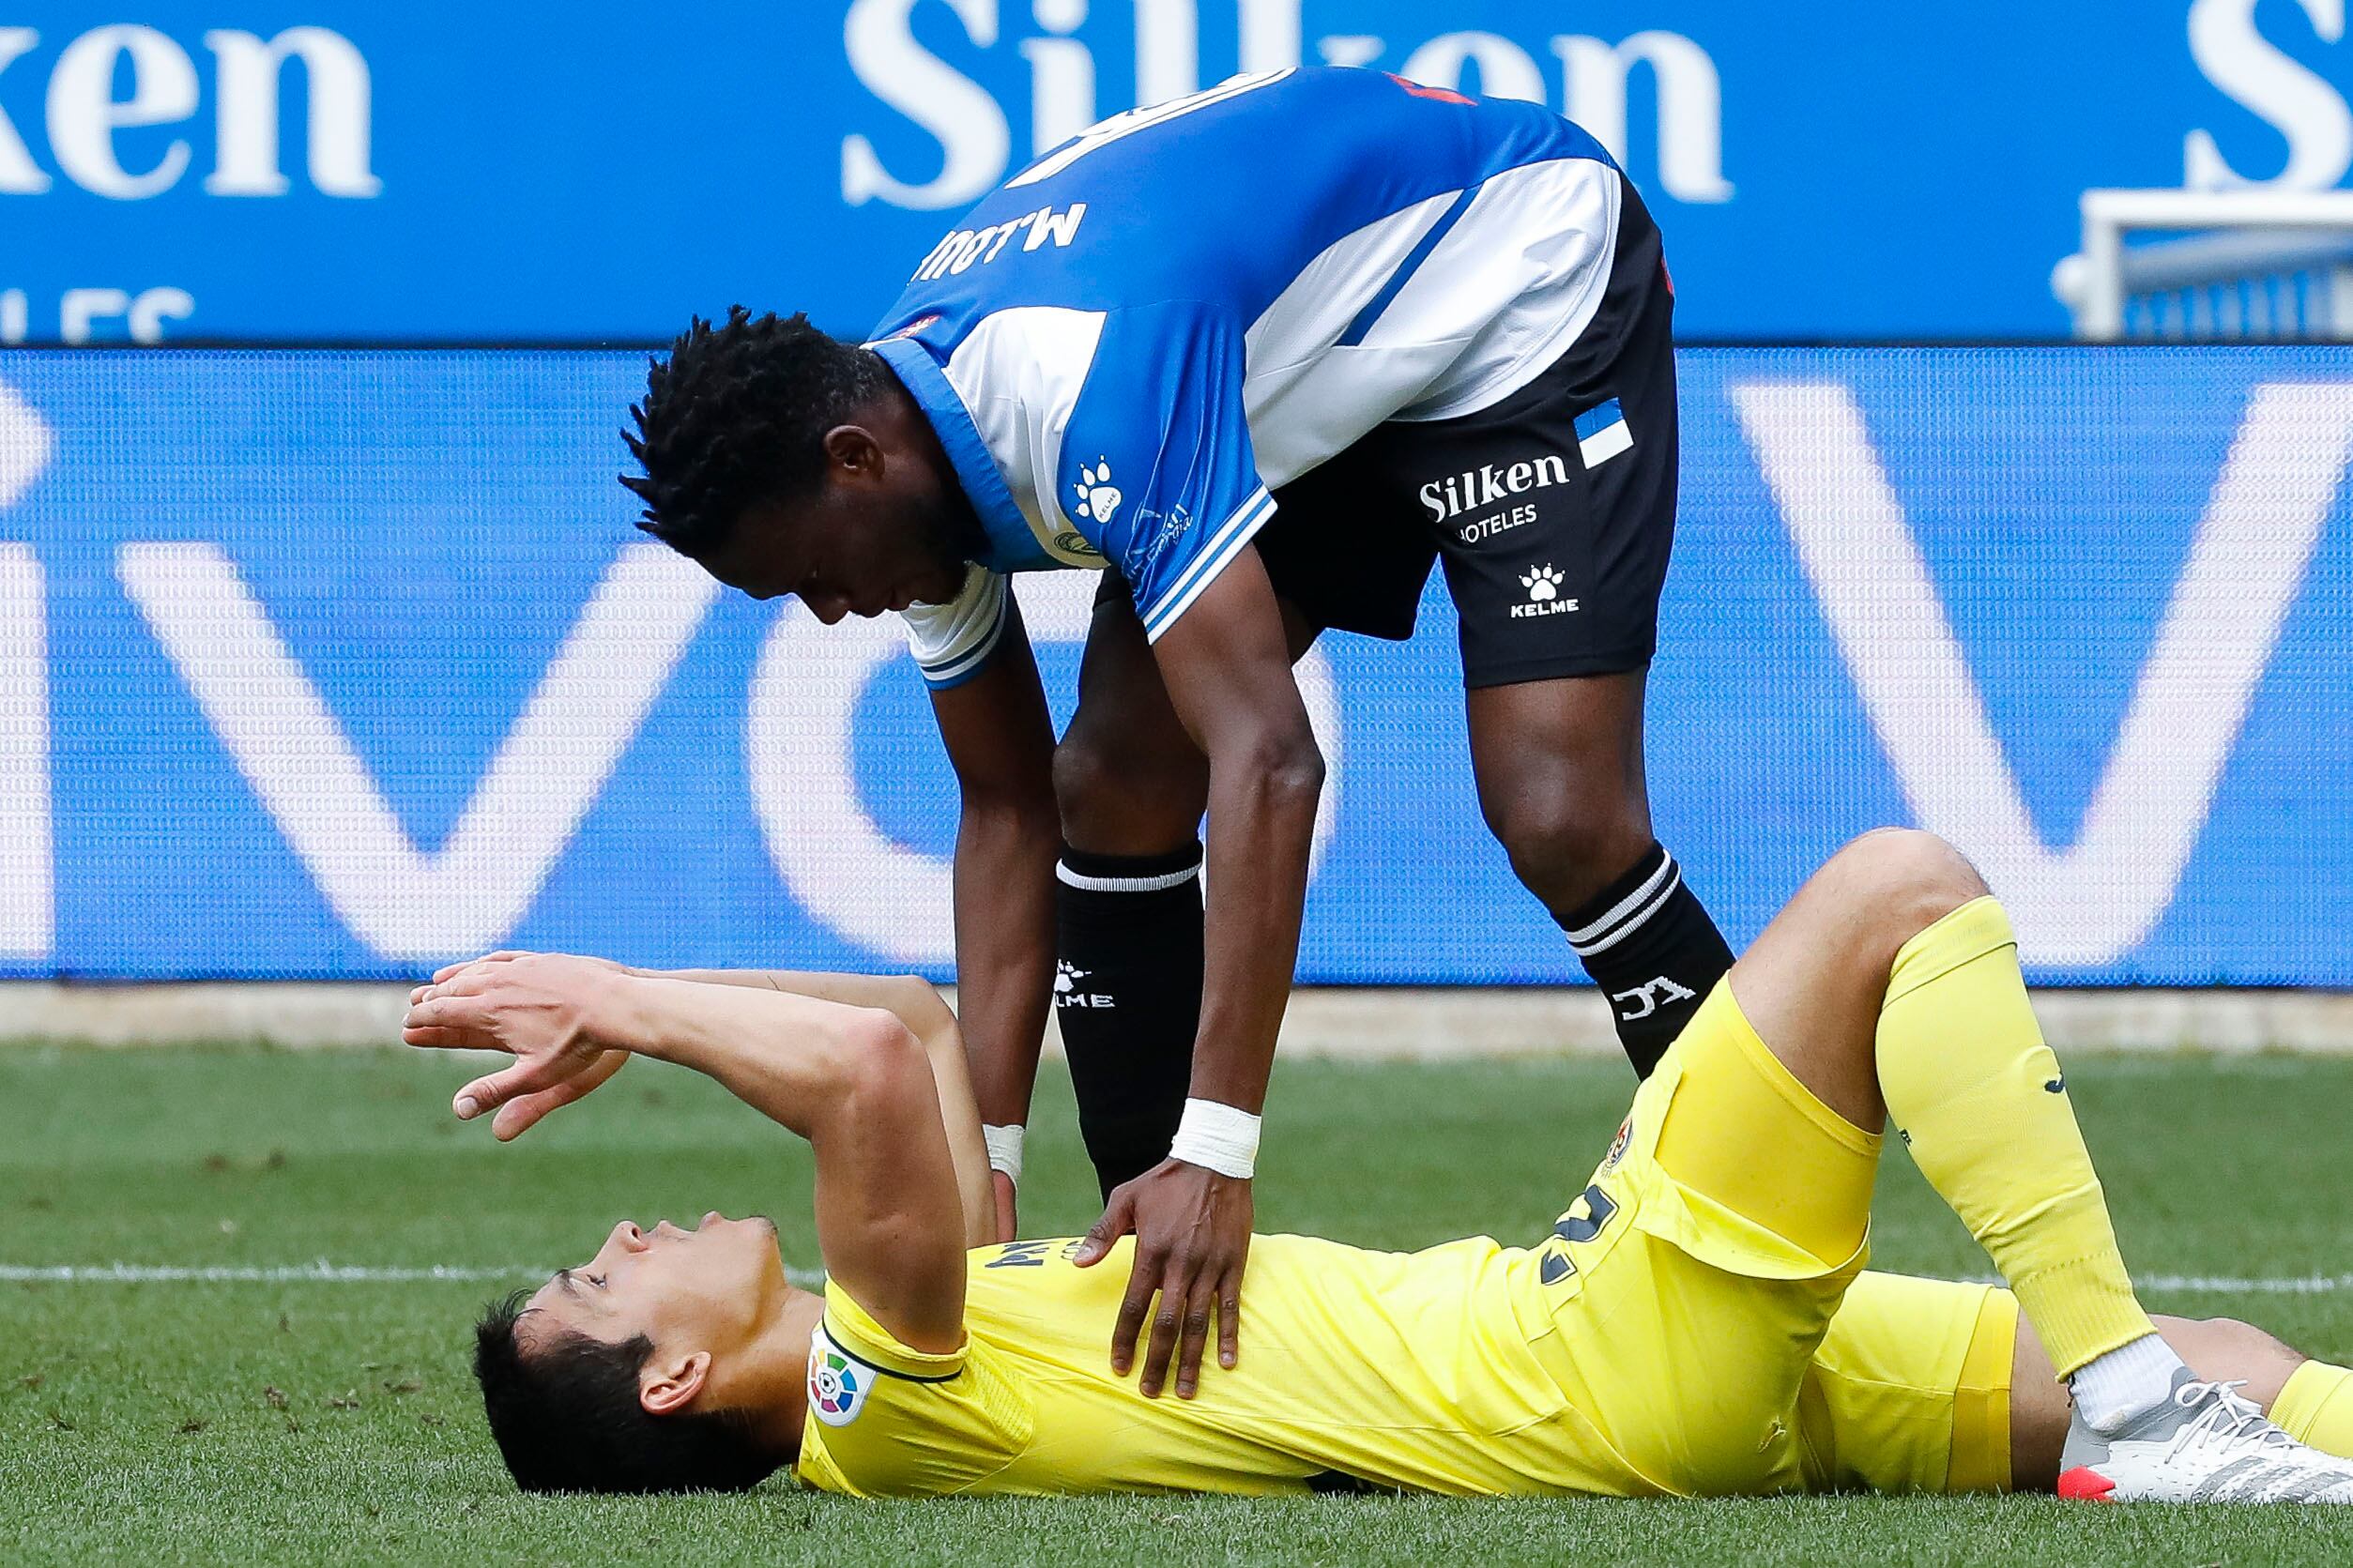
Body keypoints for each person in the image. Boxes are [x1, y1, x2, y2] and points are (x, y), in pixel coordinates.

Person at [619, 65, 1737, 1399]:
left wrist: (1223, 1149)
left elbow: (1271, 760)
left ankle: (1767, 1179)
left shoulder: (1078, 394)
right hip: (1302, 363)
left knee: (1562, 817)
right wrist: (985, 1158)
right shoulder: (897, 453)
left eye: (810, 576)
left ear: (857, 462)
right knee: (1109, 780)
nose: (828, 611)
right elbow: (1007, 808)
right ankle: (1151, 1293)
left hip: (1513, 282)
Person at [410, 830, 2353, 1502]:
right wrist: (626, 992)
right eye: (607, 1274)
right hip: (1589, 1365)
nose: (632, 1227)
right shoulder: (865, 1391)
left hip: (1627, 1381)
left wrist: (638, 1001)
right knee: (1897, 894)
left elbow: (913, 1023)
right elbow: (847, 1072)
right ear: (674, 1377)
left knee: (2246, 1359)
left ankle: (2153, 1391)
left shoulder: (940, 1326)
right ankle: (2135, 1404)